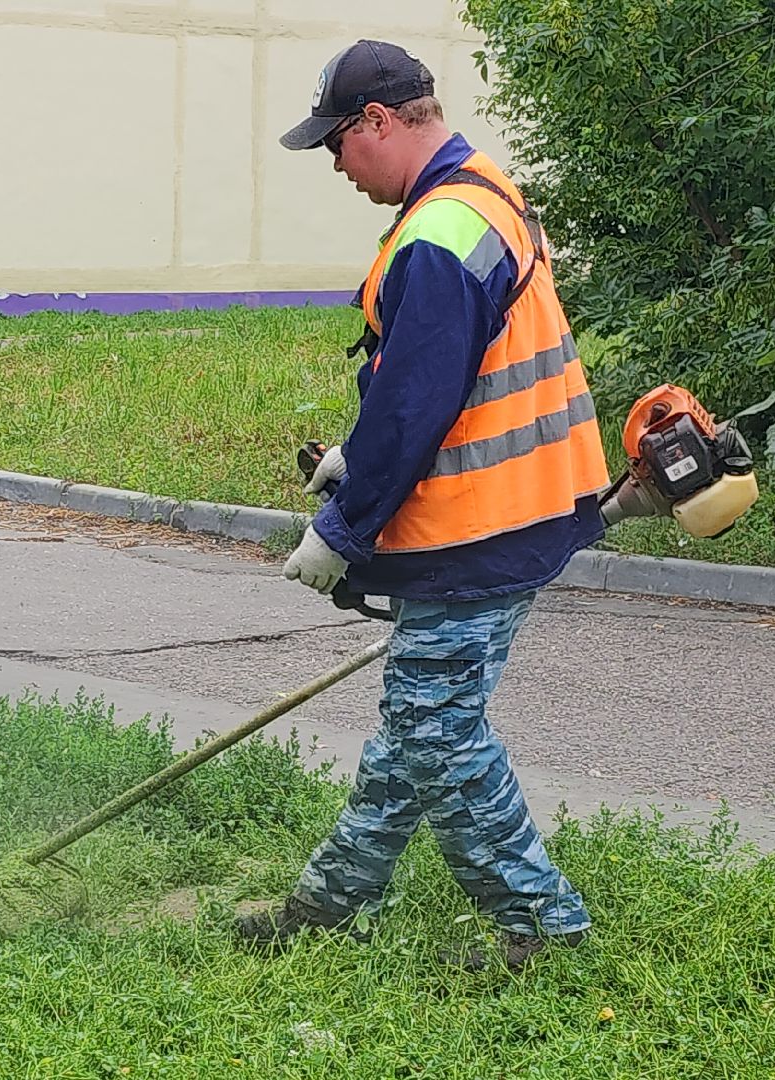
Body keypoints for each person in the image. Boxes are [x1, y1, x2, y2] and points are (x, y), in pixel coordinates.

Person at [234, 39, 611, 973]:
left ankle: (545, 928)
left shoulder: (440, 235)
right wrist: (355, 460)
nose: (332, 162)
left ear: (379, 122)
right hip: (515, 514)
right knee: (415, 732)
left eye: (336, 142)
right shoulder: (482, 194)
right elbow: (446, 380)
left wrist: (342, 529)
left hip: (474, 532)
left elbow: (414, 404)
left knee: (437, 736)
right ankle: (328, 905)